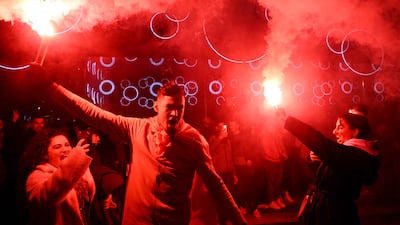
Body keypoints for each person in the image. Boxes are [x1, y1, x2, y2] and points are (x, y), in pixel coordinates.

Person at [33, 65, 245, 225]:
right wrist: (52, 88)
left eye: (179, 108)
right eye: (169, 107)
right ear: (156, 106)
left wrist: (239, 222)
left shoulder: (194, 140)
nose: (174, 114)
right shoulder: (137, 128)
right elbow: (93, 113)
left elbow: (216, 185)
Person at [277, 106, 380, 225]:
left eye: (340, 127)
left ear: (355, 131)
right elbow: (328, 179)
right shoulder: (345, 153)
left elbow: (321, 143)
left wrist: (291, 123)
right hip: (325, 212)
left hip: (336, 216)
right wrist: (315, 162)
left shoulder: (355, 155)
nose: (334, 132)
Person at [19, 127, 96, 225]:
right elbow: (48, 196)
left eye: (67, 145)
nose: (65, 150)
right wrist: (73, 163)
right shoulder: (36, 176)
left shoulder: (79, 172)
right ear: (45, 154)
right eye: (57, 147)